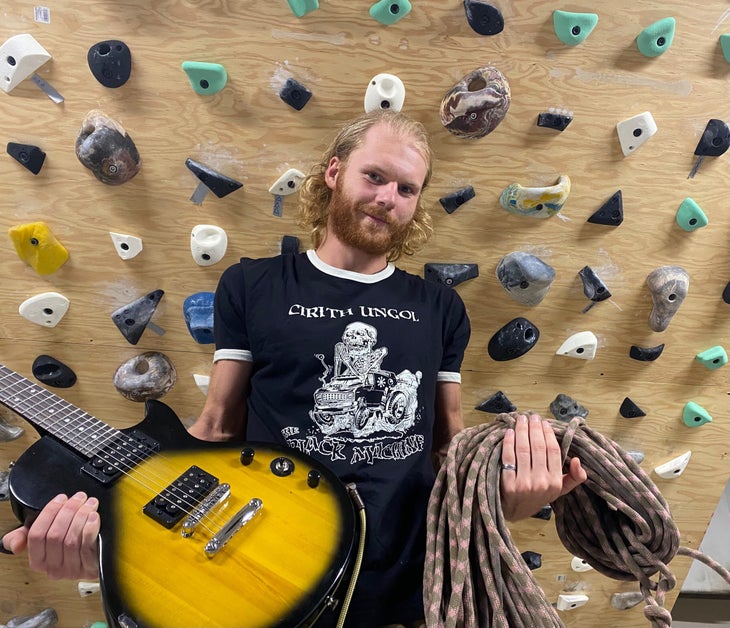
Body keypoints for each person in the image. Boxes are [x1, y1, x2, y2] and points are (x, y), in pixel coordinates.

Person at [2, 110, 587, 626]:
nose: (388, 198)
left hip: (406, 578)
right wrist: (118, 540)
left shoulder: (439, 306)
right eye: (375, 176)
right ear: (334, 172)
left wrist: (505, 499)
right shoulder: (252, 283)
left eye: (407, 189)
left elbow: (448, 448)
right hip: (258, 563)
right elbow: (215, 427)